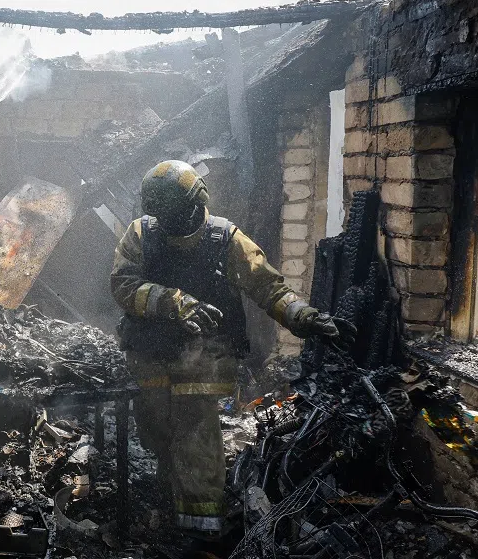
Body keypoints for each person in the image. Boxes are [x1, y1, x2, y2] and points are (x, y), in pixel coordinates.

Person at [110, 160, 355, 535]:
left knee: (195, 437)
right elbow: (123, 284)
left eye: (173, 215)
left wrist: (303, 317)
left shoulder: (225, 239)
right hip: (150, 354)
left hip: (203, 359)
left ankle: (201, 531)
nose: (168, 223)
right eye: (161, 216)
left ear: (196, 203)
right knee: (158, 435)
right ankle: (167, 507)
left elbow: (268, 287)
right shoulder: (141, 234)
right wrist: (175, 301)